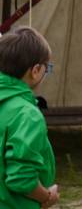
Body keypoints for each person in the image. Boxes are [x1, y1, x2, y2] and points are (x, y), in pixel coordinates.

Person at [0, 27, 59, 209]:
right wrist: (46, 196)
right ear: (35, 70)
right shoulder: (27, 114)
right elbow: (21, 178)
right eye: (46, 69)